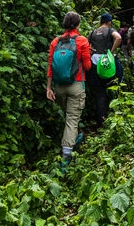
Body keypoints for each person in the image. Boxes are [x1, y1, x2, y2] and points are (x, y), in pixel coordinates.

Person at [46, 11, 92, 168]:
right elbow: (87, 66)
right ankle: (66, 157)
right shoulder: (82, 41)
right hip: (76, 85)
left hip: (58, 88)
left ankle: (73, 138)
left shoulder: (55, 42)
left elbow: (50, 66)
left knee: (69, 117)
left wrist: (48, 88)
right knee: (72, 120)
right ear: (78, 25)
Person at [86, 12, 122, 126]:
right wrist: (111, 52)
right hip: (109, 62)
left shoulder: (93, 32)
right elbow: (119, 38)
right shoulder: (110, 31)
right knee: (117, 85)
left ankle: (101, 119)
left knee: (100, 93)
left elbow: (87, 46)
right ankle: (117, 115)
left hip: (95, 63)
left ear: (100, 22)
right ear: (109, 22)